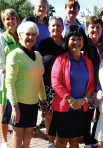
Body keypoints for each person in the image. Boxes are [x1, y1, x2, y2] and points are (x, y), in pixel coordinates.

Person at [48, 26, 95, 148]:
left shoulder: (88, 61)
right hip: (64, 108)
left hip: (80, 108)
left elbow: (91, 85)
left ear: (83, 41)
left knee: (75, 141)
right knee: (62, 141)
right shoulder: (60, 60)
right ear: (67, 41)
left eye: (79, 39)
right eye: (73, 39)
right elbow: (55, 83)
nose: (76, 42)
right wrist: (71, 100)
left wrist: (83, 100)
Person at [5, 21, 47, 148]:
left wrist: (44, 102)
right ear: (20, 34)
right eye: (28, 34)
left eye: (34, 34)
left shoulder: (38, 55)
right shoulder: (14, 55)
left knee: (28, 137)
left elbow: (39, 80)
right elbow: (9, 82)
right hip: (17, 103)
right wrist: (14, 106)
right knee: (18, 138)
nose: (31, 37)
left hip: (32, 103)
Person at [0, 8, 20, 148]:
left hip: (20, 81)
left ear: (17, 20)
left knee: (18, 110)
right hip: (5, 81)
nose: (10, 21)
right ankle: (4, 141)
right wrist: (12, 77)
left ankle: (16, 138)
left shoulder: (21, 36)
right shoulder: (1, 38)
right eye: (7, 19)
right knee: (5, 111)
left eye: (13, 18)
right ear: (4, 22)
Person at [37, 16, 64, 148]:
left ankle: (61, 140)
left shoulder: (67, 44)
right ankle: (51, 142)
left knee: (62, 116)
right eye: (53, 25)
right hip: (47, 86)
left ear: (63, 28)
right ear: (48, 28)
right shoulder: (44, 44)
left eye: (58, 25)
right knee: (49, 115)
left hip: (64, 87)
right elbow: (38, 65)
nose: (56, 28)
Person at [83, 16, 103, 148]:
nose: (95, 30)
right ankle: (88, 143)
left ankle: (94, 139)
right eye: (92, 27)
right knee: (87, 116)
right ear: (87, 29)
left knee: (100, 114)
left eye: (98, 27)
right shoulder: (84, 45)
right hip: (88, 86)